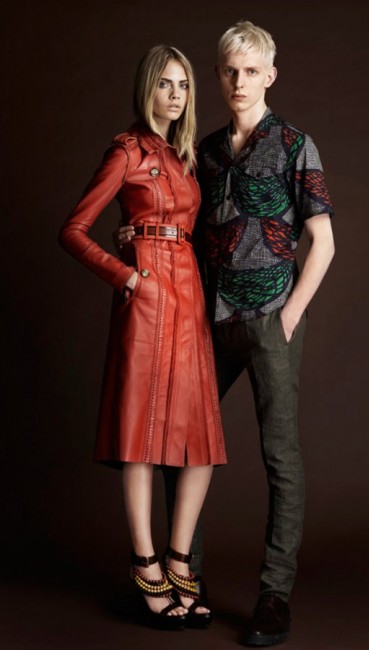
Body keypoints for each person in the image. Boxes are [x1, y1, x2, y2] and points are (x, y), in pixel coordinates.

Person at [116, 20, 335, 647]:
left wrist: (289, 316)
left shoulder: (295, 144)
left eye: (251, 72)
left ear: (270, 76)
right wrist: (131, 237)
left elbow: (323, 241)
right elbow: (173, 222)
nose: (239, 82)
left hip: (271, 317)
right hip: (205, 321)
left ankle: (273, 596)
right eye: (230, 71)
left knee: (280, 457)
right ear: (218, 75)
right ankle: (185, 572)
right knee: (181, 447)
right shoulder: (203, 151)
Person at [59, 44, 227, 632]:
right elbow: (73, 229)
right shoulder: (127, 151)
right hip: (149, 298)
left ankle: (180, 561)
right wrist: (127, 274)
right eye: (165, 84)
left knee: (200, 437)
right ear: (146, 88)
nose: (175, 95)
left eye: (184, 85)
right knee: (142, 436)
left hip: (190, 295)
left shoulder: (185, 157)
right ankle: (146, 564)